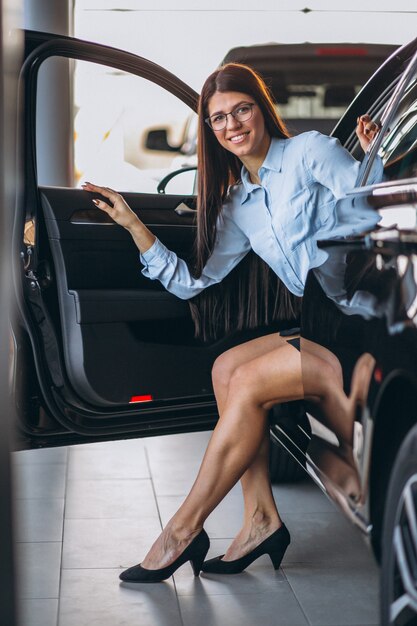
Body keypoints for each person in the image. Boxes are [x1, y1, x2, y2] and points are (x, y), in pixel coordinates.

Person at [82, 63, 380, 582]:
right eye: (218, 118)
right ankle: (259, 518)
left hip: (359, 322)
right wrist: (133, 225)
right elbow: (196, 283)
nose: (232, 124)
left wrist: (374, 162)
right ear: (210, 130)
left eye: (242, 109)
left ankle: (181, 530)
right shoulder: (239, 202)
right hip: (318, 321)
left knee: (244, 380)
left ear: (261, 108)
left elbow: (375, 209)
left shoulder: (311, 152)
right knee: (225, 368)